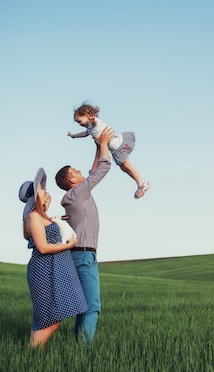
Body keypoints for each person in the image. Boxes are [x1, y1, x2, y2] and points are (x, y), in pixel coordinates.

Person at [55, 127, 114, 348]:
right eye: (75, 171)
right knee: (92, 306)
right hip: (83, 256)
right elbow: (101, 170)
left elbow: (92, 171)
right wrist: (106, 144)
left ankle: (77, 347)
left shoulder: (75, 194)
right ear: (71, 180)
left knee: (83, 306)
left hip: (79, 255)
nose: (80, 171)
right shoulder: (77, 193)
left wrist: (98, 146)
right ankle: (85, 351)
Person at [19, 167, 88, 349]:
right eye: (40, 189)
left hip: (50, 269)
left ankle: (32, 356)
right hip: (44, 270)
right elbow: (42, 247)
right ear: (34, 195)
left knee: (48, 319)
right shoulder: (33, 217)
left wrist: (46, 206)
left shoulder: (39, 216)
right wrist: (68, 245)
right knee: (50, 319)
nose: (44, 190)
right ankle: (32, 354)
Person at [67, 101, 150, 199]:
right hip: (115, 150)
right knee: (123, 168)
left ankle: (141, 184)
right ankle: (140, 182)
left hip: (119, 145)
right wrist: (74, 136)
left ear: (87, 115)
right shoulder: (89, 128)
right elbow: (84, 134)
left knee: (127, 166)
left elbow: (94, 121)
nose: (80, 124)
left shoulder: (94, 123)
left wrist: (93, 119)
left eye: (80, 121)